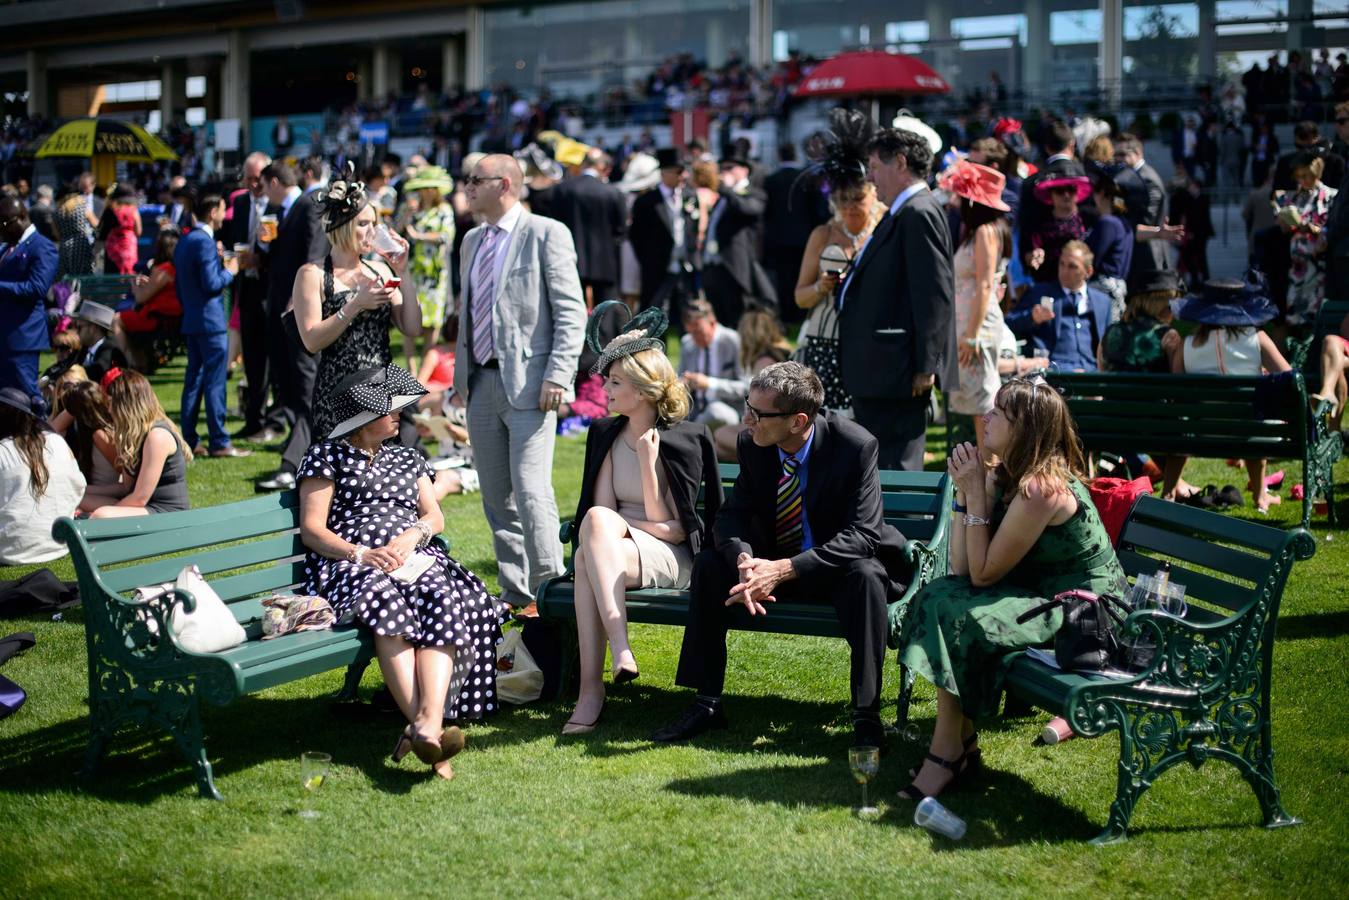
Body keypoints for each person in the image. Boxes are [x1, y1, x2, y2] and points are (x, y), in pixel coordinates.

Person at [651, 362, 906, 748]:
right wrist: (744, 561)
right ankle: (705, 702)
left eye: (757, 413)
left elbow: (863, 535)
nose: (746, 419)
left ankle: (866, 715)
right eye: (746, 407)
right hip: (771, 564)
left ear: (797, 421)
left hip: (831, 566)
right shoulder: (753, 444)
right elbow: (732, 514)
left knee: (868, 576)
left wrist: (785, 569)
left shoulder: (854, 446)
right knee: (709, 566)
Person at [895, 376, 1127, 800]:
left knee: (962, 613)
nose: (986, 417)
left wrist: (976, 497)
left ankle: (948, 750)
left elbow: (981, 577)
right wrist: (968, 494)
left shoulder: (1042, 489)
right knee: (940, 594)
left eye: (998, 413)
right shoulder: (1008, 473)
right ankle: (958, 744)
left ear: (1025, 428)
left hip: (1088, 615)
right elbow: (964, 569)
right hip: (1042, 597)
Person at [296, 365, 502, 779]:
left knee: (442, 596)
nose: (400, 416)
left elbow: (434, 515)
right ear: (360, 417)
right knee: (383, 600)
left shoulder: (408, 456)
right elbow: (313, 531)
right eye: (389, 410)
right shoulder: (325, 455)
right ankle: (431, 730)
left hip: (411, 556)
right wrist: (361, 554)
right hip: (350, 564)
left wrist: (413, 536)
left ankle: (425, 722)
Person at [563, 303, 719, 733]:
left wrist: (650, 466)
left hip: (671, 557)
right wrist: (623, 528)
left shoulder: (683, 441)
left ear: (644, 389)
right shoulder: (606, 434)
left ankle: (594, 688)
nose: (605, 390)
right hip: (617, 547)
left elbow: (674, 529)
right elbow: (600, 516)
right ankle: (610, 663)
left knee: (586, 559)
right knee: (590, 546)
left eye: (615, 383)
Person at [453, 153, 586, 614]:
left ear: (504, 184)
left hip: (533, 385)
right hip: (481, 384)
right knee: (495, 497)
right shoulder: (471, 240)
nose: (466, 188)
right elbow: (469, 315)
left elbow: (571, 312)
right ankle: (515, 592)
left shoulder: (547, 233)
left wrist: (558, 374)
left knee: (531, 490)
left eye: (475, 180)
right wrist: (459, 375)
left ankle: (551, 590)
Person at [837, 126, 954, 471]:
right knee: (879, 468)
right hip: (881, 370)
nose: (870, 178)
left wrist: (925, 366)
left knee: (897, 467)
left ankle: (905, 528)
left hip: (897, 371)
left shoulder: (919, 212)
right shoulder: (905, 211)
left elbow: (935, 295)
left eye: (875, 166)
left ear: (900, 162)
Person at [292, 162, 420, 442]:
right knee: (344, 473)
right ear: (343, 226)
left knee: (386, 477)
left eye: (375, 224)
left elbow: (412, 327)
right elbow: (312, 341)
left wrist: (403, 271)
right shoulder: (311, 274)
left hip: (381, 387)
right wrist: (354, 305)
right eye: (364, 224)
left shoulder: (381, 270)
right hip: (337, 391)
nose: (373, 231)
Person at [1169, 279, 1291, 513]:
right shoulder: (1258, 339)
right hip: (1255, 434)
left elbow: (1179, 393)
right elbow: (1290, 379)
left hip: (1205, 434)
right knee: (1257, 418)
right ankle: (1259, 496)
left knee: (1251, 419)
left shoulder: (1186, 344)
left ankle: (1169, 492)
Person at [795, 109, 885, 418]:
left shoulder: (885, 230)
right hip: (825, 340)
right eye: (842, 199)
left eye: (857, 198)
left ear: (872, 193)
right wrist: (822, 286)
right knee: (826, 420)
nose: (849, 207)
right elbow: (800, 296)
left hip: (871, 338)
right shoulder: (822, 234)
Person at [256, 161, 331, 491]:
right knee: (286, 376)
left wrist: (303, 296)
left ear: (273, 181)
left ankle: (305, 446)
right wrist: (264, 238)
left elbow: (314, 252)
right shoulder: (275, 211)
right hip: (279, 304)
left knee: (304, 378)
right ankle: (298, 437)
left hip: (298, 305)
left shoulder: (310, 202)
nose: (260, 192)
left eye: (261, 184)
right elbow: (273, 253)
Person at [174, 193, 248, 459]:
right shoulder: (202, 241)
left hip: (192, 319)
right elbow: (211, 283)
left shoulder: (185, 240)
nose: (224, 215)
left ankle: (189, 439)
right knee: (215, 382)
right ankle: (220, 441)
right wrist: (231, 269)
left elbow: (184, 284)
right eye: (222, 210)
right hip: (210, 322)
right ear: (213, 211)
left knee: (193, 381)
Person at [88, 369, 192, 518]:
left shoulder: (157, 437)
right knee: (79, 500)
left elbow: (139, 498)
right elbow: (126, 488)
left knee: (101, 515)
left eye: (111, 403)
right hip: (146, 509)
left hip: (168, 515)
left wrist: (102, 513)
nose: (109, 410)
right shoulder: (134, 436)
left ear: (127, 405)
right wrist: (83, 490)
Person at [0, 387, 86, 564]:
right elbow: (79, 487)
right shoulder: (58, 442)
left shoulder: (2, 452)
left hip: (9, 551)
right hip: (60, 544)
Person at [226, 151, 277, 442]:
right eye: (247, 178)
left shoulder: (276, 203)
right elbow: (235, 238)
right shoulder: (241, 201)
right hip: (246, 289)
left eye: (256, 178)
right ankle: (253, 418)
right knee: (252, 359)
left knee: (273, 360)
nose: (251, 184)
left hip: (270, 290)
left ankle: (273, 419)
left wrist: (262, 260)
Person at [1006, 241, 1111, 371]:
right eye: (1062, 264)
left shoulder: (1102, 301)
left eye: (1072, 266)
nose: (1064, 271)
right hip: (1054, 372)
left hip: (1092, 372)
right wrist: (1031, 317)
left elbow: (1108, 346)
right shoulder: (1039, 292)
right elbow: (1008, 322)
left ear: (1088, 272)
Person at [0, 194, 58, 415]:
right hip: (5, 336)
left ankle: (42, 442)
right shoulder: (7, 248)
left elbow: (36, 288)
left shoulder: (42, 247)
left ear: (21, 217)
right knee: (6, 402)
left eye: (4, 222)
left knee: (27, 398)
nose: (1, 228)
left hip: (23, 338)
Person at [549, 148, 627, 309]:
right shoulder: (612, 192)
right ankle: (604, 336)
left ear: (584, 164)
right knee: (605, 312)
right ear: (603, 168)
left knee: (572, 309)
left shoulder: (563, 189)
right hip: (605, 260)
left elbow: (555, 224)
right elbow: (620, 229)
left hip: (570, 258)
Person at [711, 309, 793, 461]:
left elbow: (760, 406)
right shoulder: (783, 353)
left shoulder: (764, 362)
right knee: (718, 445)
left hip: (770, 429)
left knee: (719, 437)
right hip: (782, 424)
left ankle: (763, 458)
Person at [628, 148, 700, 321]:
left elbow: (693, 228)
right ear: (664, 173)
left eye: (685, 171)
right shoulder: (647, 201)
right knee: (655, 313)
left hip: (685, 265)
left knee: (688, 312)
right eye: (679, 172)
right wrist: (648, 259)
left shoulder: (690, 196)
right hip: (657, 267)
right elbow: (636, 235)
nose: (684, 176)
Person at [701, 155, 774, 324]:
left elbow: (747, 209)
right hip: (713, 265)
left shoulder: (754, 193)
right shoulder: (723, 197)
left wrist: (726, 189)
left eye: (730, 168)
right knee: (718, 319)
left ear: (744, 170)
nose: (725, 172)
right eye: (723, 168)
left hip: (735, 267)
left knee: (737, 318)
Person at [763, 141, 829, 326]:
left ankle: (787, 315)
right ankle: (800, 315)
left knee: (784, 279)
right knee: (803, 276)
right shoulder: (805, 178)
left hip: (780, 240)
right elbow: (816, 209)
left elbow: (767, 213)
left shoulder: (771, 180)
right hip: (803, 238)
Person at [1273, 151, 1338, 328]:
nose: (1302, 180)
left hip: (1320, 268)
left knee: (1317, 319)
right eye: (1299, 176)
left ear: (1316, 173)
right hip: (1297, 268)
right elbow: (1283, 226)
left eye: (1307, 176)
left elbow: (1333, 228)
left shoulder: (1331, 196)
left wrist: (1313, 228)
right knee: (1293, 320)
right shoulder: (1292, 197)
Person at [400, 166, 456, 371]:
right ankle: (410, 366)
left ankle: (426, 366)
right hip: (414, 271)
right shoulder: (412, 209)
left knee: (432, 321)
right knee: (410, 318)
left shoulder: (444, 211)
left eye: (429, 188)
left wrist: (419, 236)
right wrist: (406, 216)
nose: (425, 192)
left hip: (434, 273)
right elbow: (397, 232)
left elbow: (446, 236)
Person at [51, 378, 130, 513]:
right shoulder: (90, 429)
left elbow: (125, 486)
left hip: (109, 498)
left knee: (58, 499)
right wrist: (79, 399)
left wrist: (82, 488)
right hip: (90, 493)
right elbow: (51, 430)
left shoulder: (103, 435)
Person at [1115, 133, 1180, 285]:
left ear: (1138, 153)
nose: (1117, 158)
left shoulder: (1148, 180)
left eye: (1122, 154)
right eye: (1115, 154)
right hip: (1135, 258)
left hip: (1149, 261)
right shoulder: (1127, 177)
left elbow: (1147, 222)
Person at [115, 226, 182, 370]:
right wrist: (149, 283)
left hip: (158, 319)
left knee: (116, 320)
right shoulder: (176, 268)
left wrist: (135, 285)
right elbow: (160, 289)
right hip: (169, 317)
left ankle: (128, 362)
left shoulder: (164, 269)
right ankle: (139, 361)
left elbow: (141, 298)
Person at [1098, 269, 1184, 374]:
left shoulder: (1109, 333)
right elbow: (1178, 381)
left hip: (1114, 390)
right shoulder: (1169, 336)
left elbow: (1102, 374)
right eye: (1175, 302)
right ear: (1164, 304)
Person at [677, 298, 744, 431]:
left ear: (713, 323)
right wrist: (683, 382)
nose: (694, 338)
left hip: (728, 409)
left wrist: (709, 383)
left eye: (698, 332)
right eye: (690, 332)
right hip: (694, 409)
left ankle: (691, 433)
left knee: (715, 412)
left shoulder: (733, 341)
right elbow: (679, 377)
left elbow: (748, 387)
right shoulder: (688, 342)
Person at [1085, 164, 1136, 322]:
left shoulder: (1108, 223)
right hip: (1117, 290)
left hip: (1103, 292)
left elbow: (1090, 256)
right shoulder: (1123, 222)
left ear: (1100, 193)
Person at [1025, 171, 1089, 281]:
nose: (1066, 195)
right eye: (1060, 191)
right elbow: (1031, 251)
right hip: (1048, 279)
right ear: (1051, 194)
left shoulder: (1087, 218)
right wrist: (1035, 256)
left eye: (1071, 189)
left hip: (1078, 279)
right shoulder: (1041, 221)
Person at [69, 301, 128, 386]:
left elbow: (99, 370)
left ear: (93, 328)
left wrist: (72, 374)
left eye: (79, 327)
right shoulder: (84, 349)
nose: (77, 332)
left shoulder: (110, 348)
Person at [52, 182, 95, 281]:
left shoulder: (57, 211)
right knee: (83, 276)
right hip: (81, 244)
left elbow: (56, 234)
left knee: (66, 277)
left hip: (64, 246)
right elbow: (96, 224)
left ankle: (68, 296)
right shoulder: (82, 207)